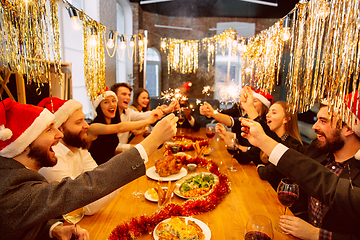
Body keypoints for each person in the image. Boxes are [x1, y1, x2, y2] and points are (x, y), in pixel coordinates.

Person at [0, 97, 177, 240]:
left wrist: (53, 229)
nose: (59, 135)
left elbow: (22, 220)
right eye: (48, 130)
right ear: (22, 144)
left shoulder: (16, 176)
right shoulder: (10, 186)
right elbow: (81, 189)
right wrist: (152, 141)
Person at [239, 91, 360, 239]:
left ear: (349, 128)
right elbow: (286, 151)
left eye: (323, 121)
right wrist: (253, 115)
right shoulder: (320, 151)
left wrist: (317, 234)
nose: (314, 126)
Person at [86, 89, 161, 165]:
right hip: (96, 171)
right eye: (106, 102)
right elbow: (119, 127)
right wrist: (149, 121)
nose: (112, 104)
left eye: (114, 101)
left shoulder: (113, 122)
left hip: (110, 166)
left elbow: (110, 150)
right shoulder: (93, 127)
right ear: (99, 107)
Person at [111, 83, 179, 152]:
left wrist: (166, 110)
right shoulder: (109, 116)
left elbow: (143, 116)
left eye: (129, 95)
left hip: (123, 153)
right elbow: (113, 146)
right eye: (124, 94)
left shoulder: (127, 111)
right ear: (114, 96)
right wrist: (138, 147)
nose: (128, 98)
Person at [200, 86, 272, 145]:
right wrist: (212, 113)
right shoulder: (246, 117)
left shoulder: (268, 124)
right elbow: (231, 121)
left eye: (255, 101)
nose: (251, 103)